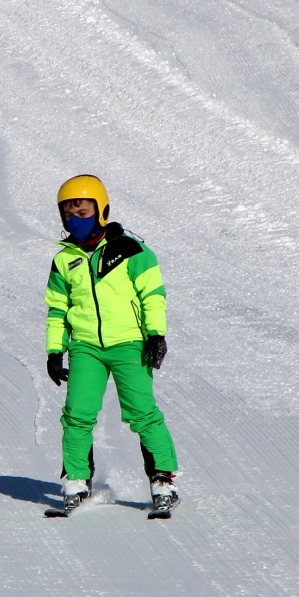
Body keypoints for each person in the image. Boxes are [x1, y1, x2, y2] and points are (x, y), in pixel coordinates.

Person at [43, 174, 179, 515]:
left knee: (142, 414)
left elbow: (153, 295)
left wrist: (156, 335)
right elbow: (57, 309)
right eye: (69, 213)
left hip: (129, 344)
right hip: (86, 347)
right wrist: (55, 350)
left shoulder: (131, 250)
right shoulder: (65, 260)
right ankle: (76, 480)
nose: (76, 219)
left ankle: (163, 479)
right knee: (77, 414)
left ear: (101, 210)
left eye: (84, 211)